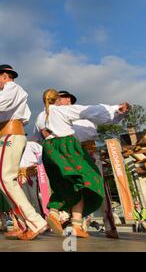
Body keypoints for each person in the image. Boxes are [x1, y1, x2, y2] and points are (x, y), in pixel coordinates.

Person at [40, 89, 130, 238]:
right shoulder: (51, 113)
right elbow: (42, 132)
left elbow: (108, 119)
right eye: (61, 97)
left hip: (88, 152)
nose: (64, 100)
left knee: (95, 185)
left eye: (66, 98)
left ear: (70, 100)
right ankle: (75, 223)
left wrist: (120, 112)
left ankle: (109, 226)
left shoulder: (83, 114)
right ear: (56, 100)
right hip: (69, 151)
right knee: (73, 184)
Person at [0, 65, 48, 240]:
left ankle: (35, 221)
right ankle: (24, 224)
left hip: (10, 135)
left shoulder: (13, 88)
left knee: (5, 178)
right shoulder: (3, 96)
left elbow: (3, 102)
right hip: (4, 135)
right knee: (4, 180)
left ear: (5, 76)